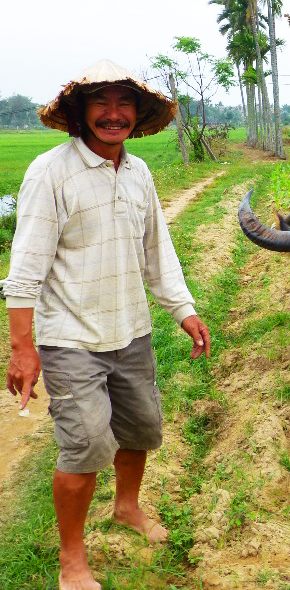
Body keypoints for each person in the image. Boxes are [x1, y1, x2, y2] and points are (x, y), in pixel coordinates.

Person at [2, 59, 211, 590]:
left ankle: (126, 508)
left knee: (140, 428)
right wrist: (22, 349)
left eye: (124, 104)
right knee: (86, 446)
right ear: (79, 113)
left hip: (131, 330)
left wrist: (183, 311)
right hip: (71, 338)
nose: (113, 115)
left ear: (138, 116)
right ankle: (72, 561)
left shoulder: (137, 172)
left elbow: (156, 252)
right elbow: (25, 269)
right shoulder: (51, 172)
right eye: (101, 103)